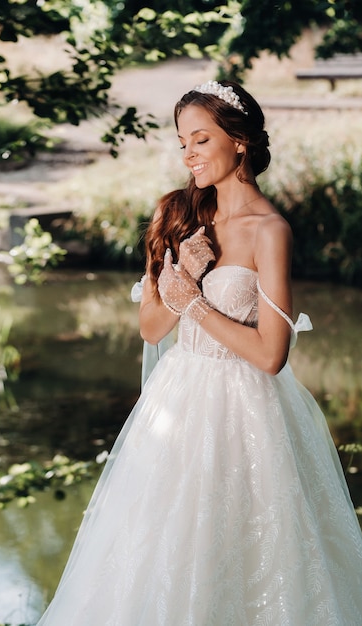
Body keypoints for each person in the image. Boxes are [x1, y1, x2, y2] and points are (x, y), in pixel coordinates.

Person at [37, 80, 362, 625]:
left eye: (200, 139)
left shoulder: (269, 231)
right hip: (177, 405)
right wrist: (183, 272)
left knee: (249, 551)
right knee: (159, 549)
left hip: (248, 410)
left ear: (238, 142)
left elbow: (270, 355)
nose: (187, 153)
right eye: (181, 140)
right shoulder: (176, 215)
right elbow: (148, 329)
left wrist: (195, 305)